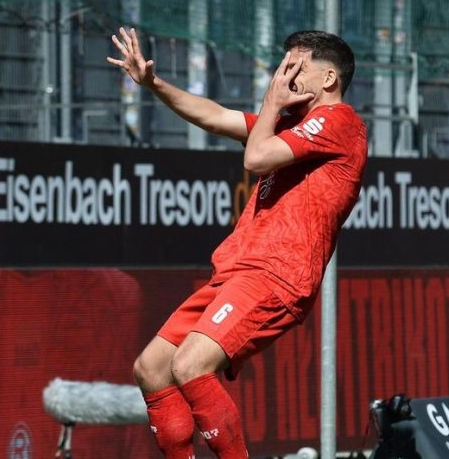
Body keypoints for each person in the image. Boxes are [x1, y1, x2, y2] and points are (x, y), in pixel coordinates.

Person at [106, 27, 367, 458]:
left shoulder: (339, 121)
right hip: (237, 272)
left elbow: (255, 158)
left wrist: (270, 105)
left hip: (277, 274)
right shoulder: (289, 125)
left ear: (328, 79)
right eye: (283, 65)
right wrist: (153, 83)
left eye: (296, 66)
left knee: (190, 366)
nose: (284, 75)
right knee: (151, 369)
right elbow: (213, 115)